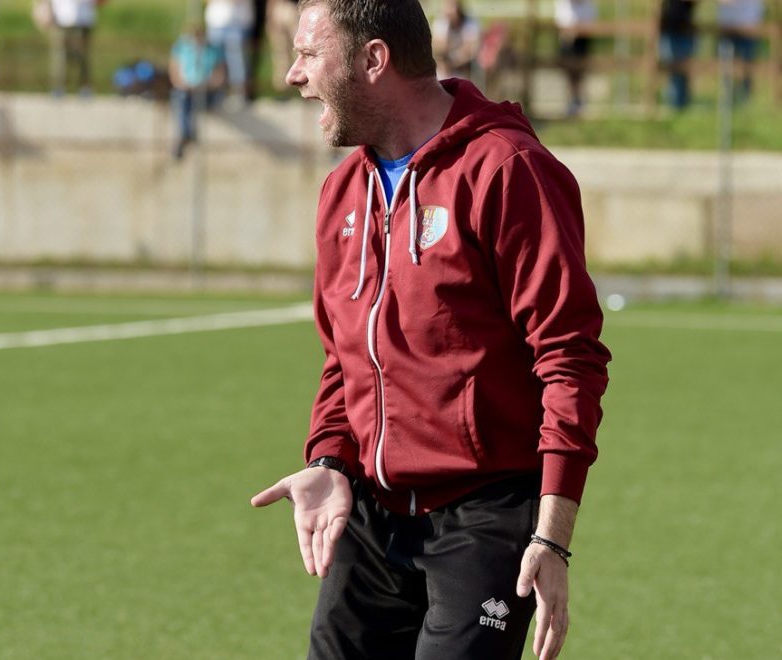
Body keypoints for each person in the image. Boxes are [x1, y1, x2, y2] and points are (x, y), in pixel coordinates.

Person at [250, 1, 611, 658]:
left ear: (373, 59)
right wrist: (328, 458)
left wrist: (552, 535)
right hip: (370, 513)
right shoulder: (342, 192)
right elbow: (343, 359)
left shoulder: (507, 170)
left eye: (308, 55)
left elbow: (570, 358)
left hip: (487, 519)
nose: (292, 75)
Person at [168, 22, 225, 159]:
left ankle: (185, 135)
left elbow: (220, 77)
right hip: (187, 91)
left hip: (208, 92)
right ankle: (187, 133)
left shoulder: (214, 50)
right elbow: (174, 72)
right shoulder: (182, 48)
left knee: (188, 102)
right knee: (182, 98)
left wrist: (205, 86)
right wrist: (184, 85)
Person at [205, 0, 253, 103]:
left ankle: (238, 94)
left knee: (237, 63)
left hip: (237, 22)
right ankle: (217, 95)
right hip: (215, 23)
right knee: (216, 63)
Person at [716, 0, 763, 104]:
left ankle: (745, 98)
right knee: (727, 66)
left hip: (748, 26)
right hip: (727, 27)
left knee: (747, 65)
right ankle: (728, 96)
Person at [554, 0, 596, 116]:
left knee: (579, 70)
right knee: (569, 71)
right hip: (567, 36)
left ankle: (577, 100)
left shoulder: (587, 5)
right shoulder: (564, 5)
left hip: (582, 36)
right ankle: (573, 100)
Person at [49, 0, 98, 97]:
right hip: (61, 18)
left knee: (83, 56)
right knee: (60, 55)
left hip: (84, 19)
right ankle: (58, 87)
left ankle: (84, 87)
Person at [658, 0, 696, 110]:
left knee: (682, 70)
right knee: (671, 68)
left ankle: (680, 103)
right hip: (669, 29)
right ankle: (673, 103)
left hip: (684, 29)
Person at [431, 0, 480, 80]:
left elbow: (471, 49)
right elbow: (438, 47)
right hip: (444, 66)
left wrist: (455, 59)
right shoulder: (442, 22)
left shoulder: (470, 23)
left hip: (464, 67)